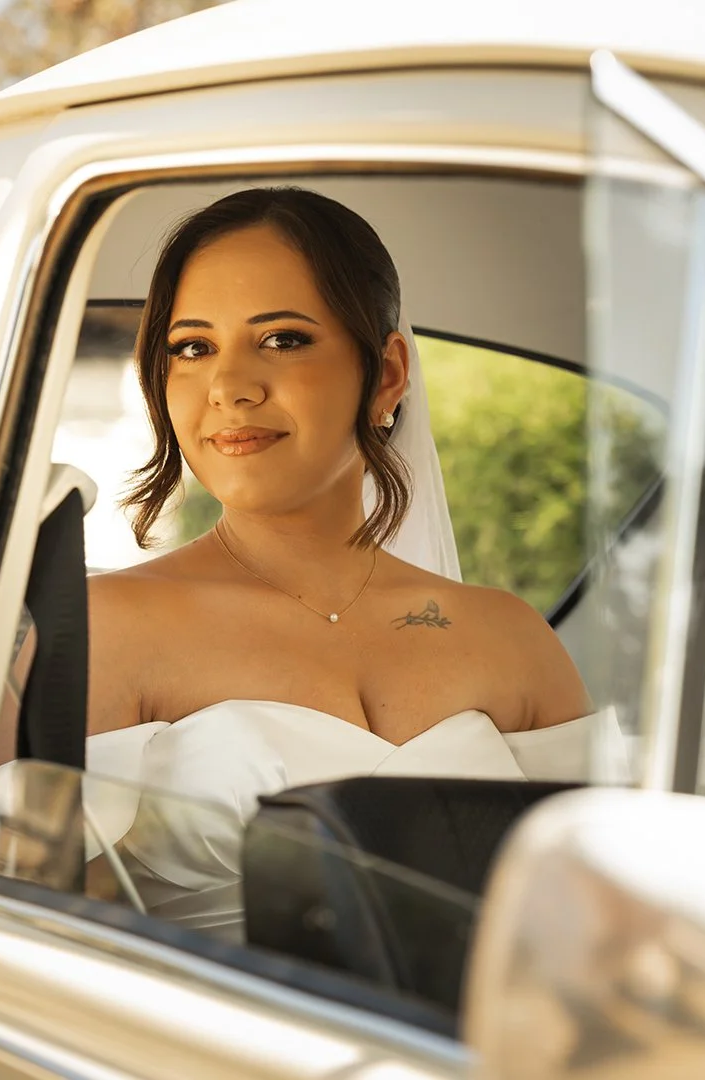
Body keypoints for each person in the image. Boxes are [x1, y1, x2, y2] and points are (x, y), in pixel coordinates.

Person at [79, 187, 627, 936]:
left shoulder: (513, 640)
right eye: (192, 348)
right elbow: (37, 932)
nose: (230, 388)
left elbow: (600, 923)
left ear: (389, 375)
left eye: (283, 340)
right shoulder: (105, 628)